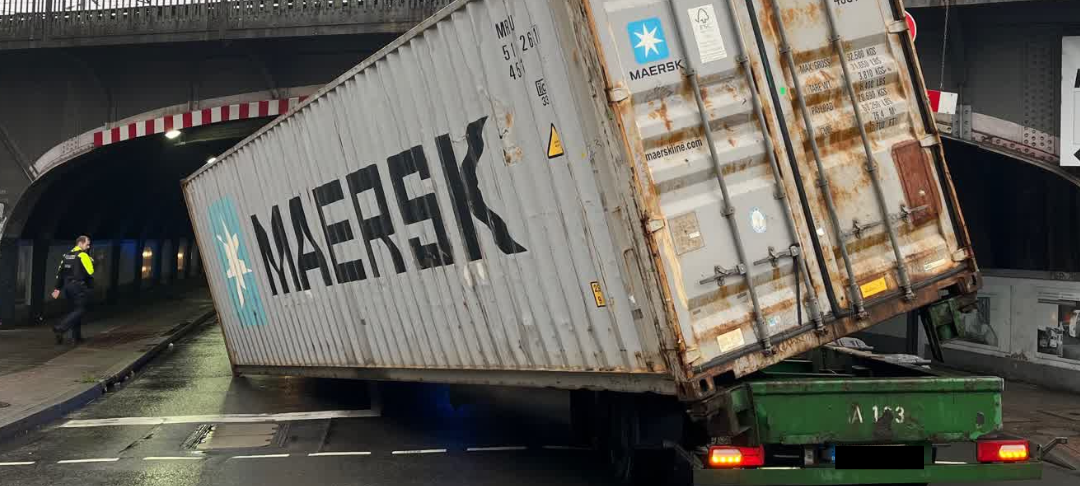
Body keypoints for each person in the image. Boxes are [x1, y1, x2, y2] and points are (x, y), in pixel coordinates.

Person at [51, 236, 94, 345]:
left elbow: (60, 273)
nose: (88, 246)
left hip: (67, 287)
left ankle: (76, 337)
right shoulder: (83, 255)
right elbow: (90, 272)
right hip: (78, 286)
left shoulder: (66, 256)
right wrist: (91, 261)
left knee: (75, 310)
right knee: (81, 309)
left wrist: (57, 289)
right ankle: (61, 328)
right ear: (80, 243)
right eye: (87, 244)